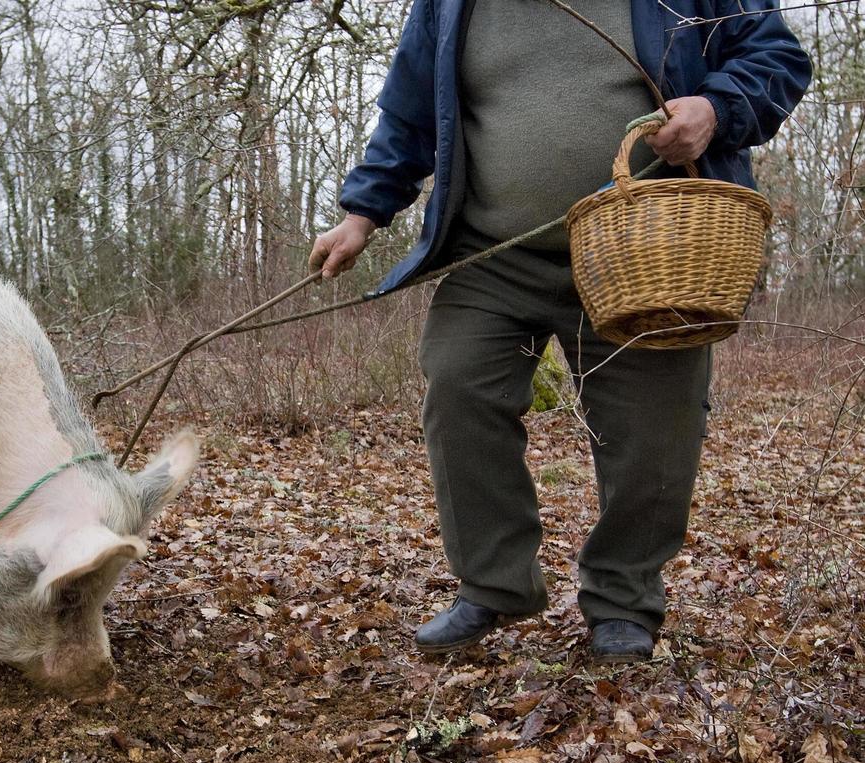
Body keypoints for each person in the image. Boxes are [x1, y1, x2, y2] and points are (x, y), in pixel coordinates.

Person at [310, 0, 811, 662]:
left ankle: (623, 599)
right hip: (494, 250)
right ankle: (493, 582)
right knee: (458, 384)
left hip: (647, 251)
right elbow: (408, 113)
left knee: (653, 434)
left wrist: (716, 110)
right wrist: (361, 213)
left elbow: (776, 59)